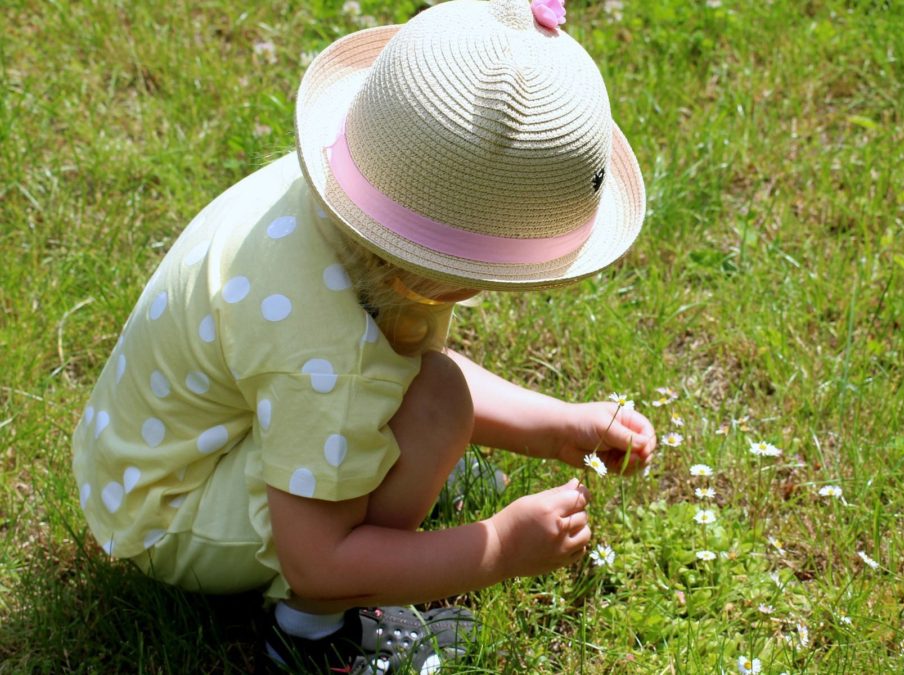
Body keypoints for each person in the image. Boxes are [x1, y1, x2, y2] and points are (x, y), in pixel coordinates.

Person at [71, 0, 654, 671]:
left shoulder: (349, 208)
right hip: (171, 519)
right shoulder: (330, 348)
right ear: (458, 273)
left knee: (432, 400)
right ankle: (313, 638)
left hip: (142, 463)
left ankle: (376, 474)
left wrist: (557, 426)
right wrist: (500, 545)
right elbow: (319, 560)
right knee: (434, 410)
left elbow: (401, 362)